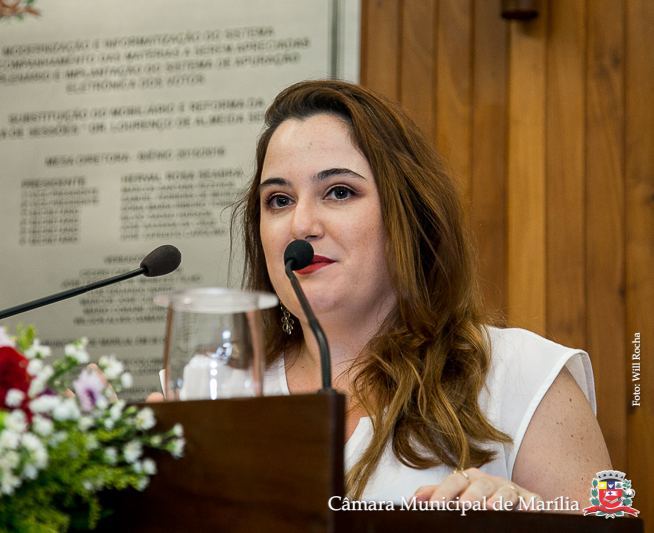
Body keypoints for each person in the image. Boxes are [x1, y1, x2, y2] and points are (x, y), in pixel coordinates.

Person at [229, 79, 611, 507]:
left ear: (407, 216)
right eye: (279, 200)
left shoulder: (523, 376)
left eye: (339, 192)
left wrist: (531, 523)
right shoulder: (214, 391)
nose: (302, 225)